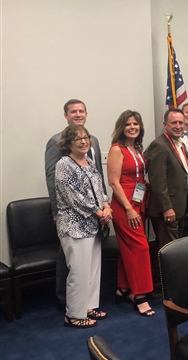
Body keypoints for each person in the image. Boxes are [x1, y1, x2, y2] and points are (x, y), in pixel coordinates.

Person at [45, 99, 104, 311]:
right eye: (73, 111)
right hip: (72, 215)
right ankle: (66, 301)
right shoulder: (56, 141)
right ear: (66, 115)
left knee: (89, 261)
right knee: (72, 261)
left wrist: (103, 205)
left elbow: (97, 175)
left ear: (86, 114)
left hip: (94, 214)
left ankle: (87, 305)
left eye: (81, 111)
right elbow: (53, 177)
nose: (78, 114)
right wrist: (55, 209)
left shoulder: (93, 140)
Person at [55, 125, 111, 328]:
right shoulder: (64, 164)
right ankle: (74, 315)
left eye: (85, 137)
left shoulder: (88, 162)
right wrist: (99, 213)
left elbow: (99, 189)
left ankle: (88, 306)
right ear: (68, 142)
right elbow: (74, 198)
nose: (83, 141)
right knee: (78, 271)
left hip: (94, 225)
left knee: (92, 269)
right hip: (74, 227)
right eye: (77, 138)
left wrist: (106, 206)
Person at [106, 110, 155, 317]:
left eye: (136, 124)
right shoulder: (116, 149)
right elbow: (113, 182)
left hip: (138, 200)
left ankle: (123, 288)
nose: (133, 127)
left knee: (128, 247)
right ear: (122, 127)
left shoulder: (136, 148)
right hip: (124, 204)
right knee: (141, 247)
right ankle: (140, 295)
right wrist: (127, 209)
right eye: (128, 124)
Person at [146, 108, 188, 249]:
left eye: (181, 122)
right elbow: (158, 181)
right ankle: (165, 272)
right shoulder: (159, 145)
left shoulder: (180, 144)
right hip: (167, 210)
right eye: (173, 123)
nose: (178, 126)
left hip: (180, 206)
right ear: (164, 125)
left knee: (176, 248)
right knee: (169, 249)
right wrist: (167, 208)